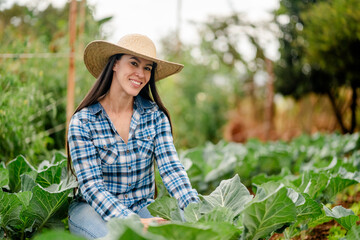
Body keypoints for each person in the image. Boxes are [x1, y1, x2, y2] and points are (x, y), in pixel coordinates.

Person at [66, 34, 199, 239]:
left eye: (147, 68)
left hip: (142, 206)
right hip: (93, 210)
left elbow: (171, 170)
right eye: (134, 63)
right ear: (115, 64)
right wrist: (134, 223)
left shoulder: (155, 117)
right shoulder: (83, 122)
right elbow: (92, 188)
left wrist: (194, 211)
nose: (140, 73)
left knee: (182, 230)